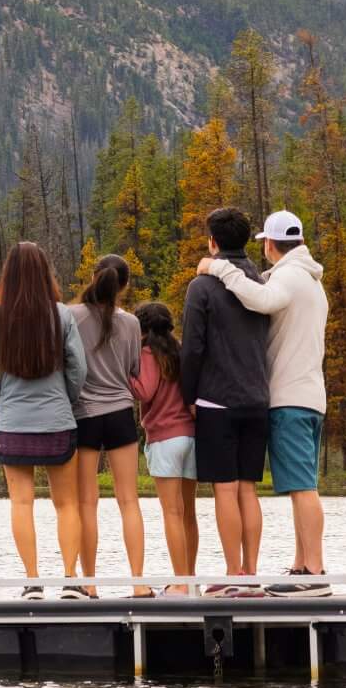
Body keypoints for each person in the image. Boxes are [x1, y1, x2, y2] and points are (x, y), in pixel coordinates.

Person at [199, 208, 329, 591]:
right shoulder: (309, 280)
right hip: (310, 395)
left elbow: (261, 299)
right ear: (300, 241)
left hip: (289, 396)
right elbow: (270, 290)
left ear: (271, 244)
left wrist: (219, 269)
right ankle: (302, 564)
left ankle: (316, 574)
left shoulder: (289, 276)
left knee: (303, 487)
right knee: (299, 484)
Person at [0, 241, 90, 595]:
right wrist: (64, 400)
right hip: (57, 421)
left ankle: (32, 581)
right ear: (45, 274)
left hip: (12, 424)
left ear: (7, 275)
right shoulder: (62, 315)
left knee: (21, 503)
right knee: (67, 503)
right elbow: (79, 370)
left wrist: (3, 403)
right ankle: (70, 579)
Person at [181, 205, 271, 589]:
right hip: (258, 397)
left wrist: (189, 394)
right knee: (249, 487)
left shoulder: (202, 286)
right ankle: (251, 571)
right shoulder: (263, 282)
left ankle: (232, 573)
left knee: (225, 487)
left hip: (217, 400)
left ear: (212, 242)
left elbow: (192, 348)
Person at [69, 255, 146, 594]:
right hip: (119, 414)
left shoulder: (71, 317)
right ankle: (139, 583)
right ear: (123, 285)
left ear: (93, 277)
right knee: (129, 500)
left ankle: (89, 584)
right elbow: (133, 370)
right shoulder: (131, 323)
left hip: (83, 414)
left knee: (86, 502)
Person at [132, 300, 198, 592]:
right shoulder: (181, 350)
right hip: (191, 436)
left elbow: (144, 390)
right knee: (188, 512)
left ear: (142, 329)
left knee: (171, 512)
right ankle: (189, 577)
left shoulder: (148, 354)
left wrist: (125, 375)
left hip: (164, 438)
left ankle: (180, 584)